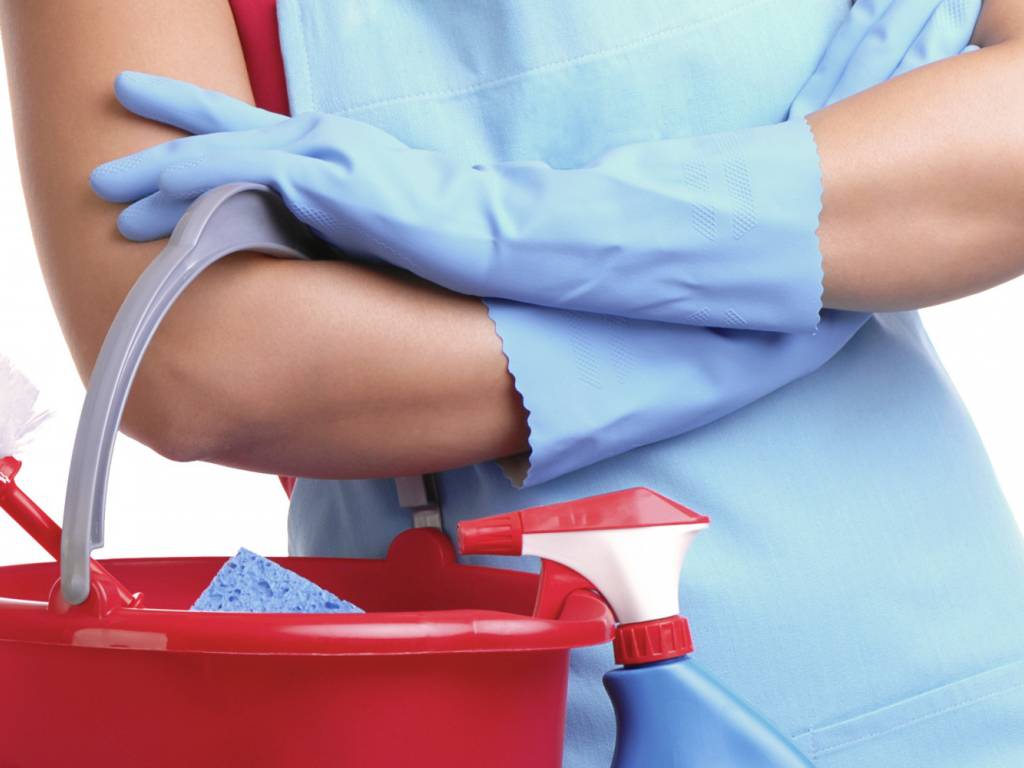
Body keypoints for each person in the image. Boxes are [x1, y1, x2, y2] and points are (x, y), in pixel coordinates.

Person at [2, 1, 1024, 765]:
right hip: (474, 712)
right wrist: (762, 297)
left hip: (947, 688)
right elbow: (201, 366)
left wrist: (484, 217)